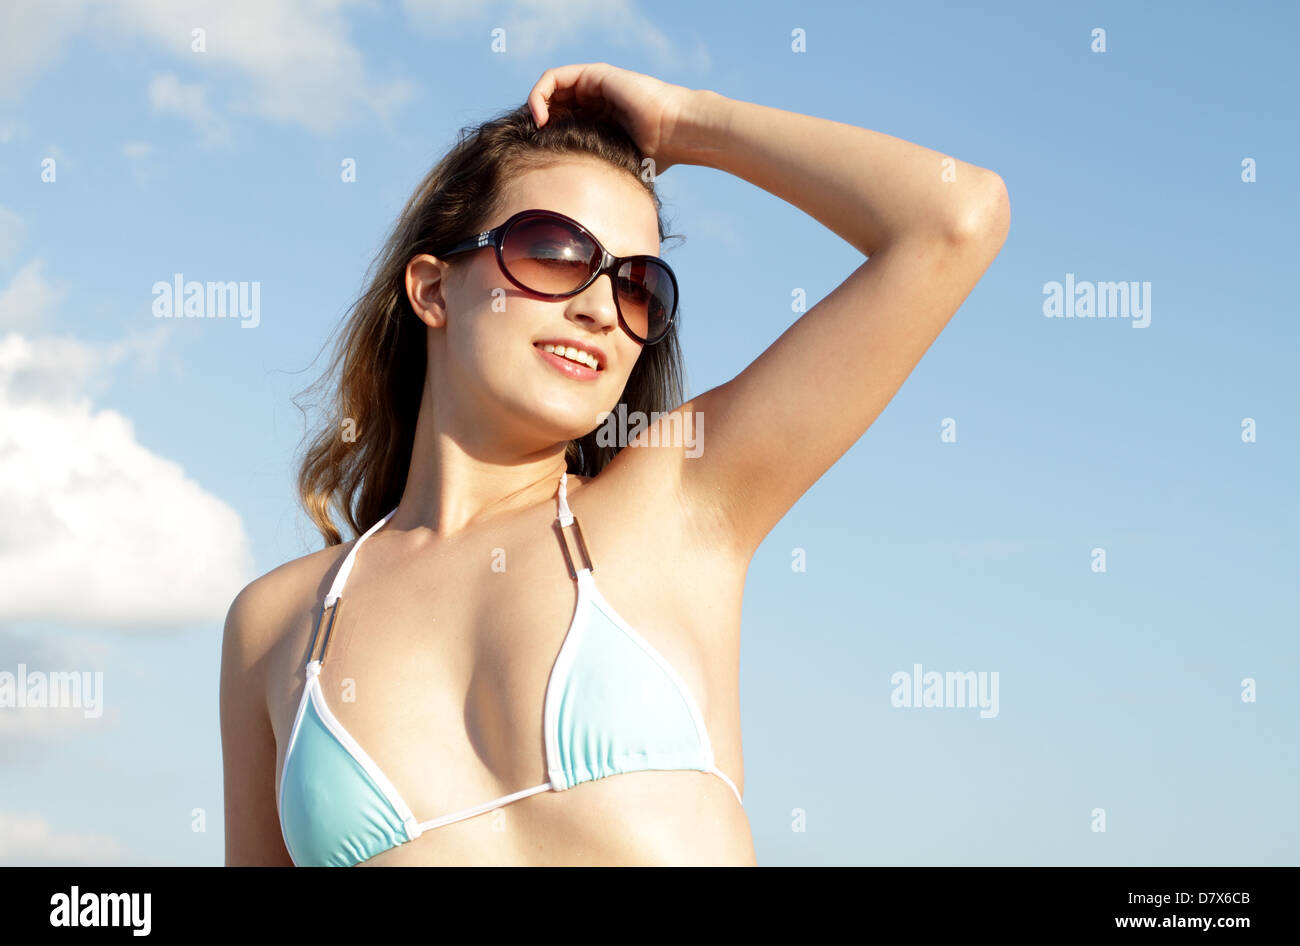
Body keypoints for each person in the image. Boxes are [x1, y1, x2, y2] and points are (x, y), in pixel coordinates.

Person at [220, 62, 1010, 866]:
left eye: (638, 285)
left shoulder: (680, 501)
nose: (600, 308)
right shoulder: (277, 625)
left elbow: (955, 216)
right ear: (433, 289)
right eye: (554, 250)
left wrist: (685, 125)